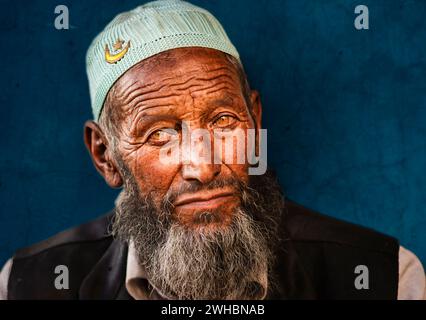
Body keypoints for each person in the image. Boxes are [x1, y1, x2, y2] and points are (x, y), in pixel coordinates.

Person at [1, 0, 425, 300]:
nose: (203, 166)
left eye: (223, 121)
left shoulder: (385, 279)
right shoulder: (27, 285)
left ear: (255, 120)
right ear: (105, 155)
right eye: (159, 134)